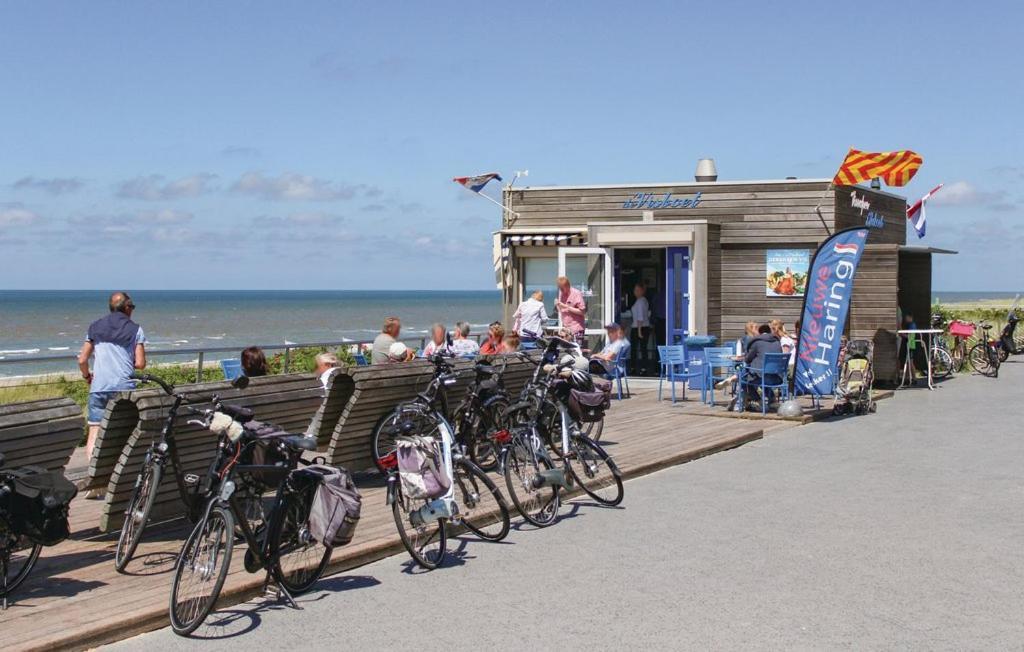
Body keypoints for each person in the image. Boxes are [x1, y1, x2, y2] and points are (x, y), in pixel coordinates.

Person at [77, 291, 147, 475]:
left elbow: (82, 360)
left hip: (99, 387)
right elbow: (140, 364)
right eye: (132, 307)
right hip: (124, 388)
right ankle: (118, 477)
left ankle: (94, 478)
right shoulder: (136, 329)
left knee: (94, 431)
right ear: (126, 308)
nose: (132, 310)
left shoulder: (94, 327)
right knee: (124, 433)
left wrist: (87, 377)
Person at [743, 324, 784, 406]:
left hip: (762, 378)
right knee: (765, 374)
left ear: (759, 333)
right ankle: (772, 399)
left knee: (744, 380)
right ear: (769, 332)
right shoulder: (777, 342)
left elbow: (747, 359)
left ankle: (757, 400)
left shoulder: (757, 342)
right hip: (778, 378)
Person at [555, 276, 586, 344]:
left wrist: (567, 307)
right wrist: (558, 305)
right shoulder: (561, 294)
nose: (561, 291)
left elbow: (582, 312)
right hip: (566, 329)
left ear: (567, 286)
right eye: (560, 288)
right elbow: (561, 311)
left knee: (576, 351)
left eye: (562, 288)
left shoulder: (576, 293)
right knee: (565, 352)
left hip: (576, 328)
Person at [629, 282, 651, 375]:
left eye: (637, 290)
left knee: (636, 349)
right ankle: (642, 368)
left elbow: (640, 317)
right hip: (643, 327)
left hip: (639, 328)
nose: (635, 292)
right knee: (643, 349)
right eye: (635, 290)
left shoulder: (640, 301)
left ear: (642, 291)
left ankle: (635, 368)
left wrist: (639, 331)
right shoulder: (644, 300)